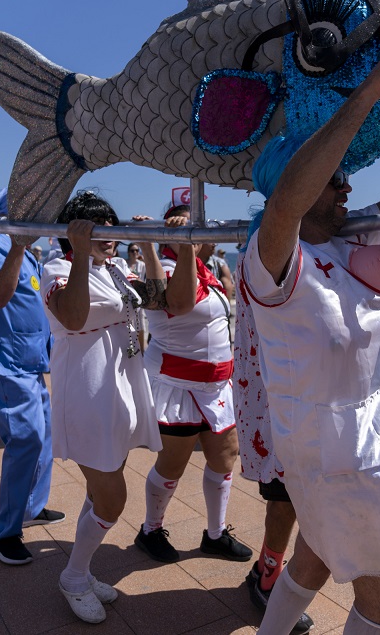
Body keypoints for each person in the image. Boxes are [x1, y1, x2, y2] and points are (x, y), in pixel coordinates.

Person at [244, 20, 380, 635]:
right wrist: (370, 91)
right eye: (333, 178)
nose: (347, 186)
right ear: (298, 186)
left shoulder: (348, 246)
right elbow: (285, 207)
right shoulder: (272, 257)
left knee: (315, 554)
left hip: (360, 447)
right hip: (338, 456)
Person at [41, 191, 167, 624]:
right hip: (87, 394)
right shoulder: (56, 268)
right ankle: (74, 575)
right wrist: (78, 256)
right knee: (113, 499)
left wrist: (149, 246)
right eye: (95, 225)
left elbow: (156, 298)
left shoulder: (115, 268)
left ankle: (83, 567)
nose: (107, 232)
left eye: (109, 223)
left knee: (99, 492)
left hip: (122, 389)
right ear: (74, 233)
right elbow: (73, 319)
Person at [133, 206, 251, 565]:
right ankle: (150, 529)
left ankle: (215, 535)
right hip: (177, 384)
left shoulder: (206, 270)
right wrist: (184, 243)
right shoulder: (163, 268)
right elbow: (181, 304)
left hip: (215, 387)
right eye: (200, 228)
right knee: (173, 465)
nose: (212, 234)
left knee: (225, 456)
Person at [0, 188, 64, 567]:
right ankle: (5, 533)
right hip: (6, 362)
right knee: (25, 440)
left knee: (44, 438)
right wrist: (19, 247)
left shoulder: (26, 254)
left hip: (30, 361)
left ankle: (31, 506)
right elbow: (0, 297)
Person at [234, 246, 315, 635]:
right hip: (280, 398)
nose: (344, 191)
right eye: (332, 181)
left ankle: (272, 569)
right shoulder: (264, 250)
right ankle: (269, 573)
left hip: (321, 397)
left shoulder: (329, 244)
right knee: (285, 500)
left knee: (310, 502)